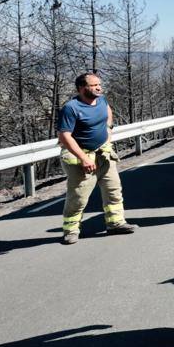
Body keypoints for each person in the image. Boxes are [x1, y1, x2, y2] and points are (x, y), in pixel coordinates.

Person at [58, 72, 138, 245]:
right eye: (94, 85)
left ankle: (116, 223)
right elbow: (65, 136)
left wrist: (109, 129)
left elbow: (108, 112)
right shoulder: (71, 108)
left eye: (99, 84)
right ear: (81, 88)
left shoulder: (101, 100)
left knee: (113, 190)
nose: (99, 88)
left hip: (104, 155)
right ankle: (70, 230)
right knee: (78, 197)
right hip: (83, 158)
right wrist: (83, 158)